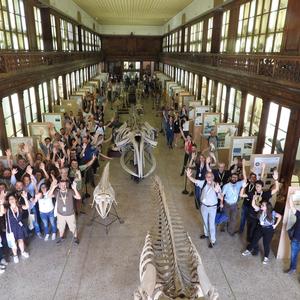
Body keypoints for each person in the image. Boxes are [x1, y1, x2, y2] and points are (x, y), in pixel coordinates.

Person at [186, 169, 223, 248]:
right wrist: (189, 176)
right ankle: (206, 234)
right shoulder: (203, 183)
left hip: (212, 208)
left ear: (213, 177)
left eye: (210, 177)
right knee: (205, 221)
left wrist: (217, 192)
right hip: (203, 206)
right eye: (207, 177)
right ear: (205, 178)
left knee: (211, 224)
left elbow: (221, 196)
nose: (209, 178)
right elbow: (195, 181)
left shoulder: (216, 185)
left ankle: (213, 240)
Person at [240, 170, 279, 242]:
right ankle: (249, 243)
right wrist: (243, 187)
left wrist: (276, 180)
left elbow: (276, 189)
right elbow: (241, 195)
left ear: (262, 187)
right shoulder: (252, 193)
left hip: (260, 217)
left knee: (256, 232)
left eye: (258, 186)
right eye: (256, 186)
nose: (257, 187)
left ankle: (254, 244)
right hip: (251, 215)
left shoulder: (266, 193)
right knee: (249, 229)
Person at [242, 199, 282, 264]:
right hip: (260, 228)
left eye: (263, 205)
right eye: (261, 205)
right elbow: (253, 205)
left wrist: (275, 225)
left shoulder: (272, 212)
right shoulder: (260, 210)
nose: (261, 206)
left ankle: (266, 257)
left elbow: (280, 216)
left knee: (266, 244)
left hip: (268, 230)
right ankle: (248, 250)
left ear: (267, 207)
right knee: (254, 239)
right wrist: (254, 198)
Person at [48, 176, 81, 244]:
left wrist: (75, 189)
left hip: (70, 214)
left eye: (64, 184)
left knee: (73, 227)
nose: (63, 186)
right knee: (60, 227)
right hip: (60, 215)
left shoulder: (70, 191)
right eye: (61, 184)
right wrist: (53, 187)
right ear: (59, 185)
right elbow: (48, 196)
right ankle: (61, 237)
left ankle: (76, 238)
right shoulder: (57, 192)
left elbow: (79, 197)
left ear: (66, 185)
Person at [0, 193, 30, 263]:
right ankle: (15, 255)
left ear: (15, 199)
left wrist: (25, 198)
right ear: (8, 201)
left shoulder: (19, 206)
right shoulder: (7, 208)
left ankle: (23, 252)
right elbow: (1, 213)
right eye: (10, 199)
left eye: (12, 198)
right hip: (11, 229)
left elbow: (27, 206)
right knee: (14, 243)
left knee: (21, 240)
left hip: (19, 227)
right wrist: (1, 204)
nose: (11, 200)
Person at [221, 171, 245, 235]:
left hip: (234, 205)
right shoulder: (226, 186)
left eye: (236, 177)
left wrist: (243, 166)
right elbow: (222, 195)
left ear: (237, 178)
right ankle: (223, 227)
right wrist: (221, 203)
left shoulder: (239, 184)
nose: (234, 178)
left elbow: (245, 180)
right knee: (225, 217)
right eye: (233, 177)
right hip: (227, 204)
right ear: (231, 178)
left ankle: (231, 231)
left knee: (233, 219)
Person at [284, 195, 300, 274]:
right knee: (293, 256)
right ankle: (292, 268)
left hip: (296, 240)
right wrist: (291, 196)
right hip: (296, 240)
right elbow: (291, 206)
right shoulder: (299, 214)